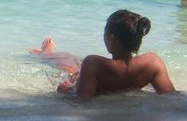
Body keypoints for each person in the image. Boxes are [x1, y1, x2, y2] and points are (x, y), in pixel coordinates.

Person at [29, 9, 176, 101]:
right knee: (75, 62)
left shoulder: (93, 64)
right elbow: (171, 96)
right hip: (116, 75)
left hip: (86, 77)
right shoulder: (152, 63)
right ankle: (48, 53)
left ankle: (47, 53)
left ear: (111, 38)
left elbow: (82, 101)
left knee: (68, 64)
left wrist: (66, 91)